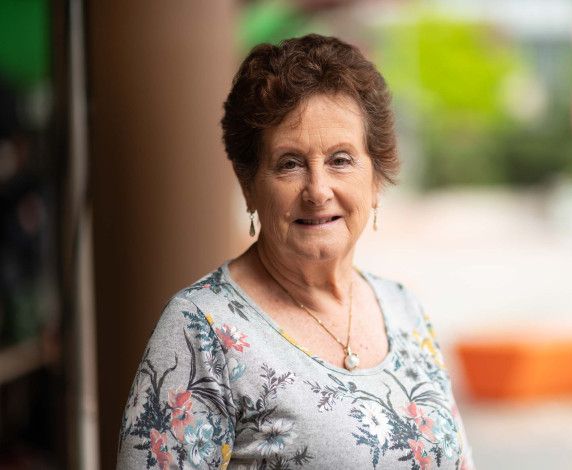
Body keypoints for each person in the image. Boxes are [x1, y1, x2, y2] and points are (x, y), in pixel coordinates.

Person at [117, 34, 475, 470]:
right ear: (249, 184)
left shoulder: (405, 310)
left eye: (341, 160)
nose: (318, 191)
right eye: (289, 163)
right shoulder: (201, 330)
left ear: (376, 177)